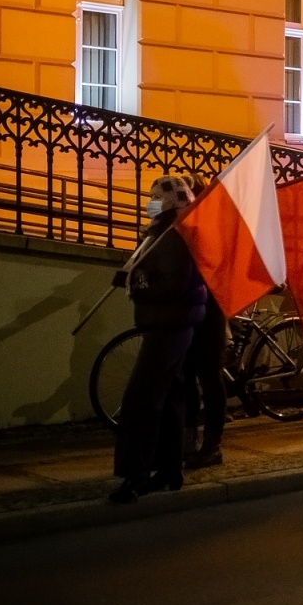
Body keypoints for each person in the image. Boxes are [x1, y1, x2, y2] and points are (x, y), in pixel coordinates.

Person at [110, 175, 207, 505]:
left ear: (171, 202)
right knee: (169, 399)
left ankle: (134, 476)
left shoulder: (176, 234)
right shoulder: (160, 233)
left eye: (155, 197)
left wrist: (137, 283)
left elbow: (173, 285)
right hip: (169, 325)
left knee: (141, 400)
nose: (150, 202)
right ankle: (170, 468)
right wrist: (132, 273)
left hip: (171, 327)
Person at [181, 172, 233, 469]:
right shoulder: (184, 225)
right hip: (190, 309)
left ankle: (212, 445)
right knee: (188, 374)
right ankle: (189, 441)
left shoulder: (211, 226)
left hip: (210, 310)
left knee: (209, 375)